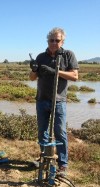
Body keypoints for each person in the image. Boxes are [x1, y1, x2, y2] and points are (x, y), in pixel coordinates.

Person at [29, 27, 79, 177]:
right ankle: (44, 157)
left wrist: (55, 72)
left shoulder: (68, 55)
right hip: (42, 99)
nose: (54, 43)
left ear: (62, 41)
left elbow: (75, 76)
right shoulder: (40, 56)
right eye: (51, 40)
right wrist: (34, 69)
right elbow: (32, 78)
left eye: (57, 40)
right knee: (42, 131)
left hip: (59, 100)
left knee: (60, 132)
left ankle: (62, 164)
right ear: (47, 41)